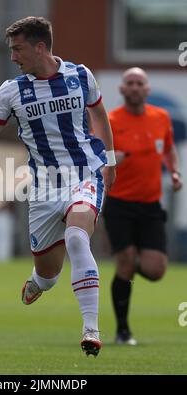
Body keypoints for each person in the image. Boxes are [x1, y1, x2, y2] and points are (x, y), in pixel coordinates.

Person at [0, 16, 116, 356]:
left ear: (40, 46)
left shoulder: (80, 76)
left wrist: (109, 162)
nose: (13, 57)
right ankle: (40, 282)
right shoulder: (10, 92)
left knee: (76, 236)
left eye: (18, 49)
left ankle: (91, 329)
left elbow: (100, 117)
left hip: (84, 172)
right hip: (43, 187)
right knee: (49, 272)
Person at [103, 67, 183, 345]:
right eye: (130, 83)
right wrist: (112, 160)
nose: (135, 87)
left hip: (150, 205)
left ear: (147, 89)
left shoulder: (160, 118)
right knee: (125, 263)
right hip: (119, 203)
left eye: (140, 83)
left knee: (156, 270)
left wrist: (174, 172)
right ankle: (123, 331)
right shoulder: (110, 121)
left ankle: (129, 262)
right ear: (122, 90)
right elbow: (95, 157)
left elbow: (169, 148)